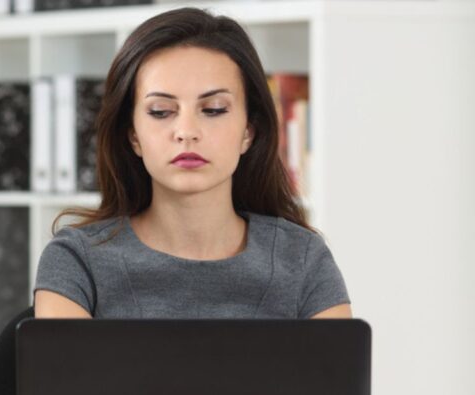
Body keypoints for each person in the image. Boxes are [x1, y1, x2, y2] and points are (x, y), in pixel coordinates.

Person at [35, 8, 351, 320]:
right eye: (160, 111)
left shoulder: (303, 259)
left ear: (248, 132)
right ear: (133, 136)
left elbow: (338, 371)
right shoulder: (77, 261)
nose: (187, 132)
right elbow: (65, 373)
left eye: (213, 109)